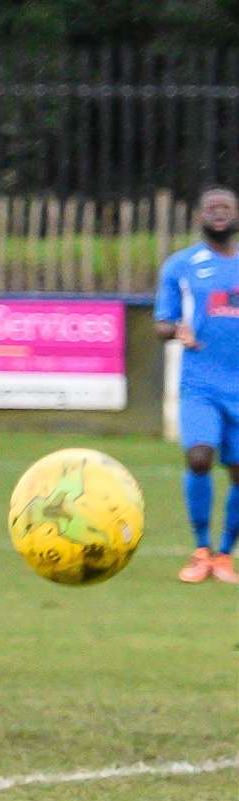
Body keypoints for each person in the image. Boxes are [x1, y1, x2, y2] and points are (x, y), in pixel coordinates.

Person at [154, 185, 239, 584]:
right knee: (200, 457)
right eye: (211, 208)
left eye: (225, 207)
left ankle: (224, 555)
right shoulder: (180, 266)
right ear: (200, 217)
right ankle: (201, 550)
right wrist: (176, 330)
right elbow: (161, 324)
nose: (218, 212)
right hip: (200, 384)